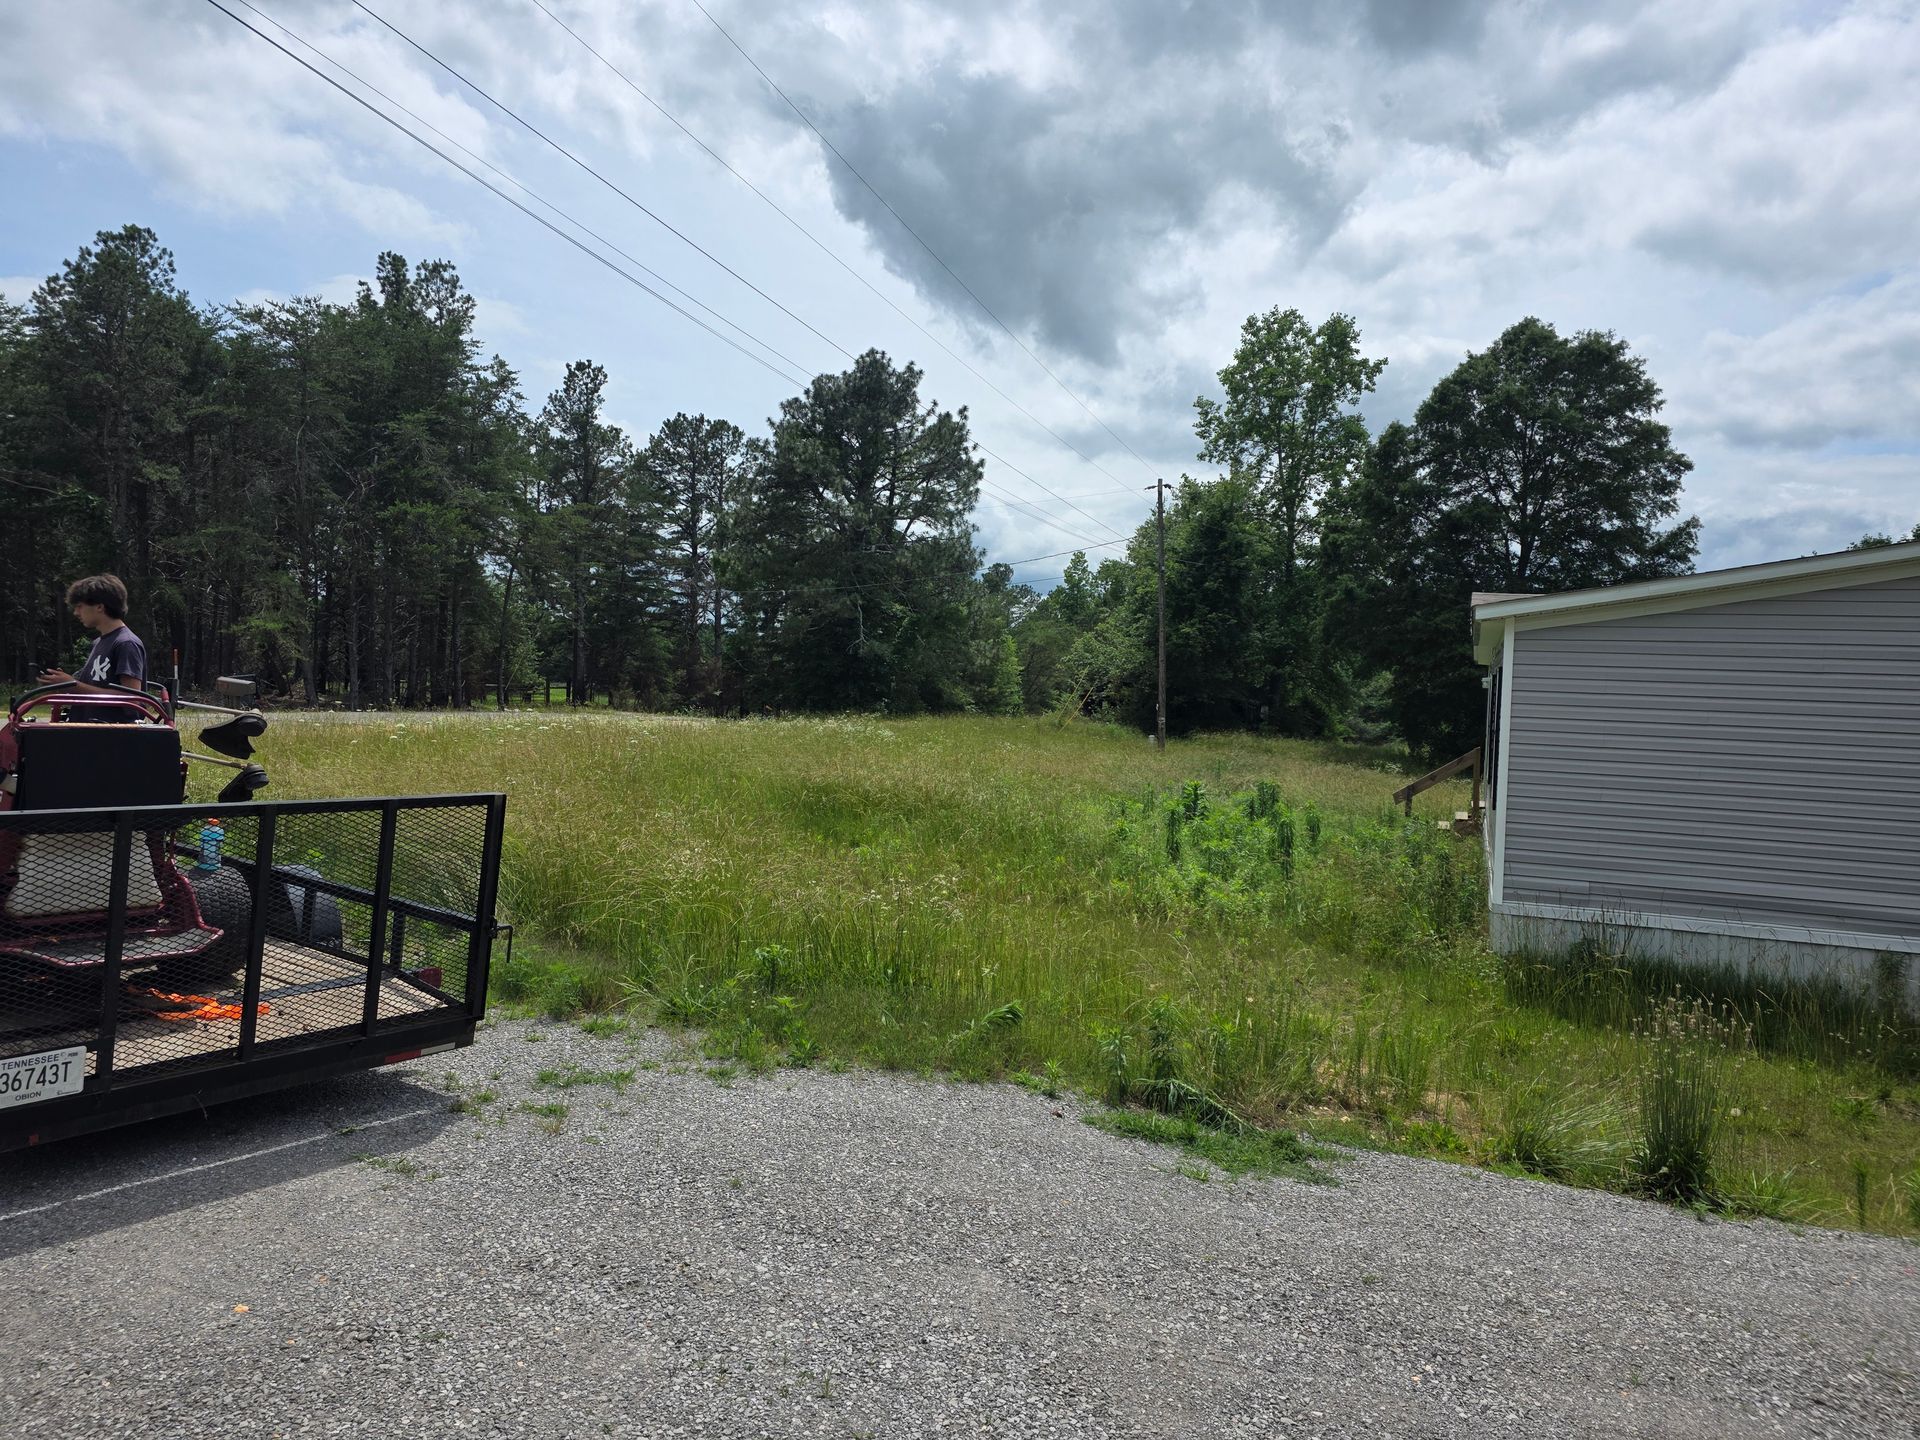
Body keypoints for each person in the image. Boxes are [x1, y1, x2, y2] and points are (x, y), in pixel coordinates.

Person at [37, 574, 148, 719]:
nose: (76, 612)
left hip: (111, 732)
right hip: (89, 729)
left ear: (100, 607)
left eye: (80, 606)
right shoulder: (98, 642)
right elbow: (90, 690)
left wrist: (72, 685)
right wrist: (63, 685)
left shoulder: (126, 643)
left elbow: (132, 699)